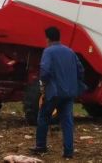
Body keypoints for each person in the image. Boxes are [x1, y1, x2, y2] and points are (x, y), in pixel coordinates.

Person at [31, 26, 85, 159]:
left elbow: (45, 71)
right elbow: (81, 70)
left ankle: (41, 146)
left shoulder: (48, 51)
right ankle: (68, 152)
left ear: (47, 38)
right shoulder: (70, 52)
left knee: (43, 116)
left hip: (54, 92)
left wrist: (44, 84)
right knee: (67, 121)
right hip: (69, 92)